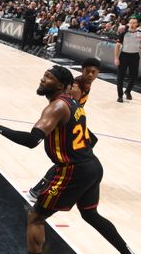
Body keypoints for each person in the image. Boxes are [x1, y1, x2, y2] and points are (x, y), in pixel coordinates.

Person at [0, 65, 141, 254]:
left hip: (74, 170)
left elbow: (33, 140)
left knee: (35, 217)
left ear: (61, 85)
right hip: (91, 165)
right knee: (91, 214)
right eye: (43, 75)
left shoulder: (57, 107)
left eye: (49, 77)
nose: (43, 79)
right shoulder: (74, 103)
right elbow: (91, 138)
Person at [28, 58, 101, 199]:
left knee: (90, 142)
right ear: (82, 70)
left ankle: (49, 182)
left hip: (72, 120)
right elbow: (62, 106)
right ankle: (42, 186)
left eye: (94, 72)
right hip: (62, 123)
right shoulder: (75, 89)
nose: (91, 75)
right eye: (88, 71)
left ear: (99, 73)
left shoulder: (86, 85)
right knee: (71, 157)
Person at [114, 17, 141, 102]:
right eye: (131, 23)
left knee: (134, 77)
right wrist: (116, 58)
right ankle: (120, 95)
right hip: (124, 56)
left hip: (135, 56)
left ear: (137, 24)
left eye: (134, 23)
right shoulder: (123, 33)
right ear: (128, 23)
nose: (132, 24)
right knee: (120, 77)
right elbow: (117, 46)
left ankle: (128, 91)